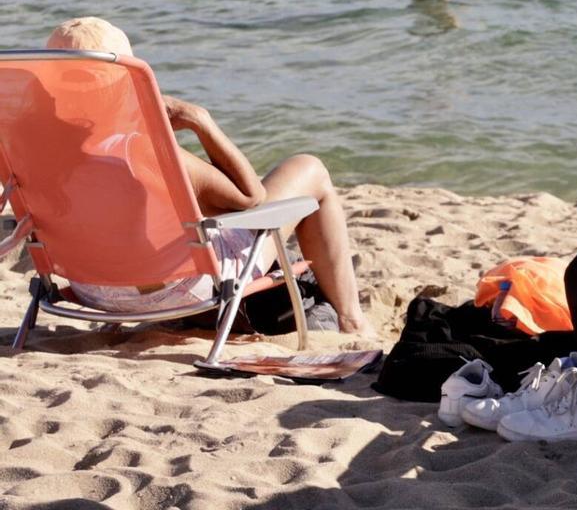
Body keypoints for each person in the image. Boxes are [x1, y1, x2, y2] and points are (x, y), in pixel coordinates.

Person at [45, 17, 373, 336]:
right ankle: (352, 319)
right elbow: (248, 199)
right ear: (127, 77)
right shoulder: (141, 148)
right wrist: (199, 120)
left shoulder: (32, 148)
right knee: (310, 169)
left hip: (91, 289)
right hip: (179, 289)